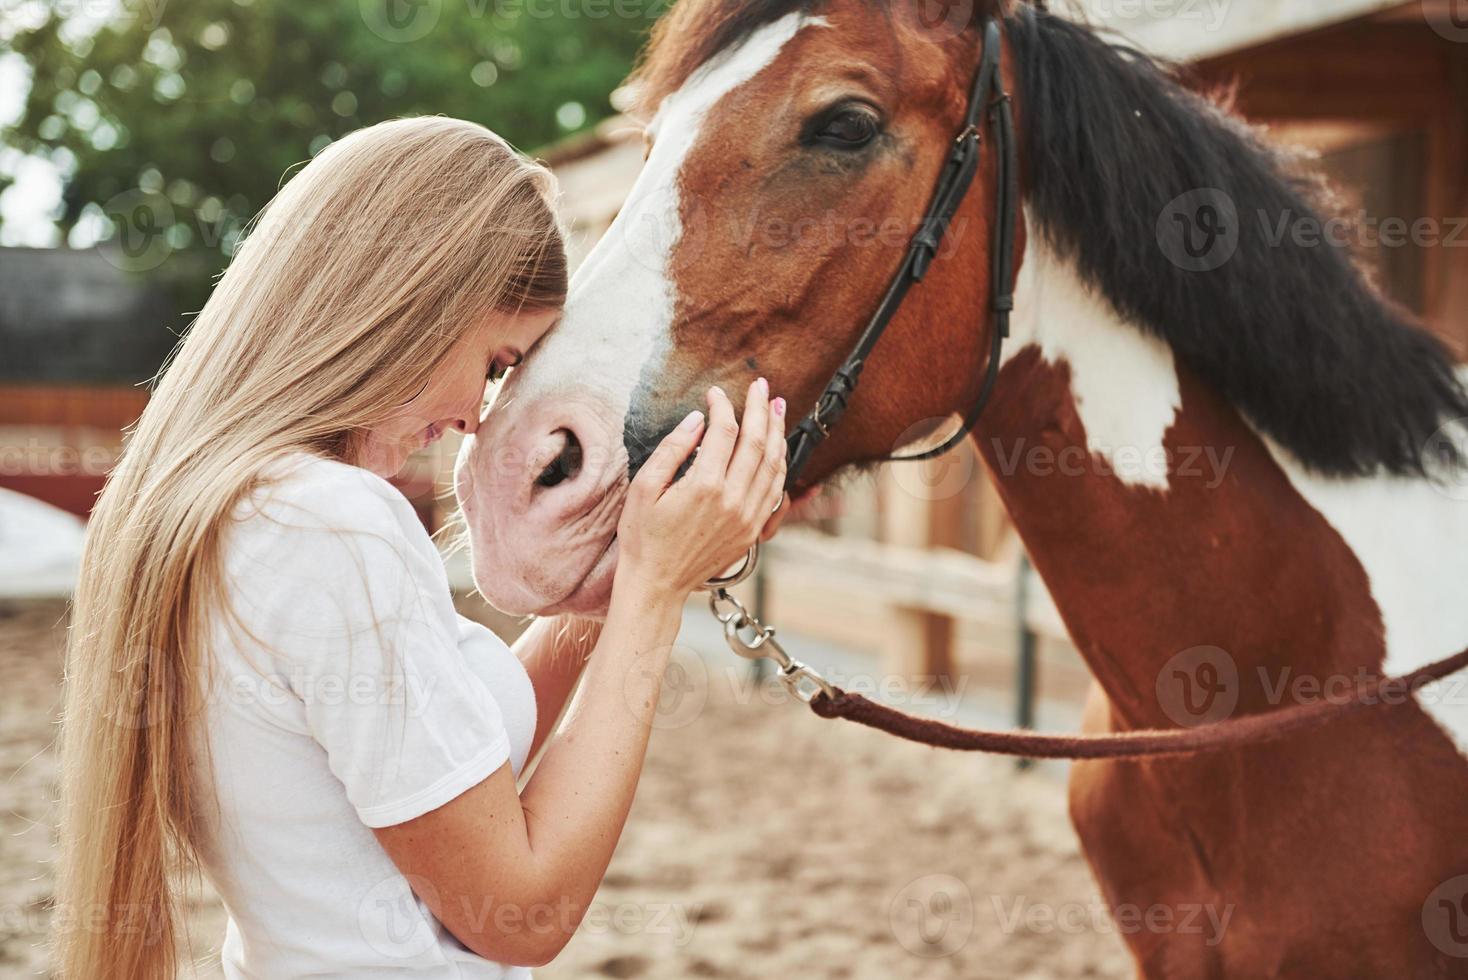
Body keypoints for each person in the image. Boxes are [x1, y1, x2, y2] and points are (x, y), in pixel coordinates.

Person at [55, 116, 787, 979]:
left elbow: (453, 769)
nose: (480, 413)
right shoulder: (331, 527)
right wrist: (656, 595)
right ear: (415, 305)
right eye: (494, 361)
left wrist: (625, 568)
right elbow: (521, 915)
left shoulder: (242, 511)